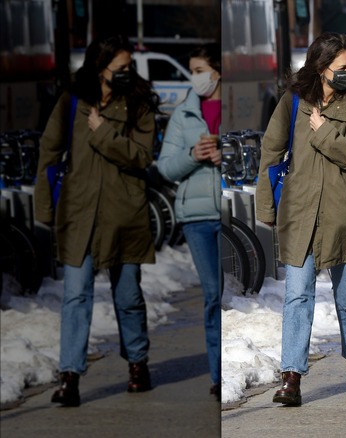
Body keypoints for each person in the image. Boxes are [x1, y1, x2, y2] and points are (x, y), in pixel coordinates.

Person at [255, 32, 346, 406]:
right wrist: (266, 207)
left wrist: (324, 132)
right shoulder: (293, 101)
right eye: (342, 67)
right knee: (297, 295)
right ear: (320, 67)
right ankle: (290, 376)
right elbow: (271, 153)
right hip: (301, 213)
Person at [34, 34, 159, 407]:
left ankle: (138, 363)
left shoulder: (138, 104)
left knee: (128, 296)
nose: (126, 73)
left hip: (124, 215)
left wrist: (102, 131)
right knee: (75, 296)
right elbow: (49, 154)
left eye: (128, 67)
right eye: (119, 68)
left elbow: (141, 156)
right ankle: (69, 376)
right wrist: (44, 211)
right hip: (79, 215)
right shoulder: (71, 102)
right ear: (98, 67)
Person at [157, 43, 222, 399]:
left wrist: (224, 155)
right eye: (192, 71)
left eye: (200, 70)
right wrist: (193, 155)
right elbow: (165, 167)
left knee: (228, 296)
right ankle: (218, 374)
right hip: (197, 215)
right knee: (212, 295)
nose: (194, 77)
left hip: (229, 213)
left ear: (217, 71)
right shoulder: (183, 113)